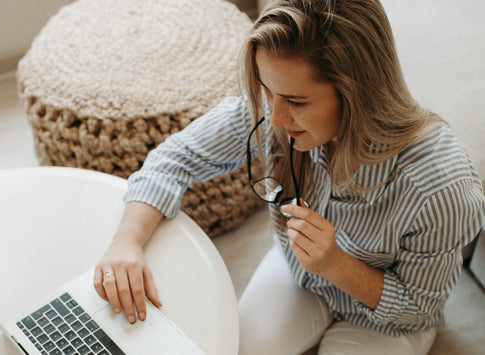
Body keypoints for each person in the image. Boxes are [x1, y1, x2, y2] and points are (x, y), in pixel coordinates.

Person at [93, 0, 485, 353]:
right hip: (298, 277)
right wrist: (126, 243)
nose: (276, 118)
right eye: (268, 91)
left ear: (357, 92)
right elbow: (174, 159)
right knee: (236, 348)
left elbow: (418, 309)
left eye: (296, 101)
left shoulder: (441, 187)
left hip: (385, 322)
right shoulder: (276, 113)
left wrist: (335, 263)